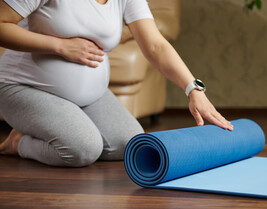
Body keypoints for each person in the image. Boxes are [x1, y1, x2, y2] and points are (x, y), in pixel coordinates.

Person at [0, 0, 233, 167]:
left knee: (129, 145)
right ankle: (18, 142)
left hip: (91, 97)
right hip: (22, 86)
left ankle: (58, 127)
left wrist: (193, 89)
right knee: (83, 149)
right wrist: (59, 46)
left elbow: (155, 45)